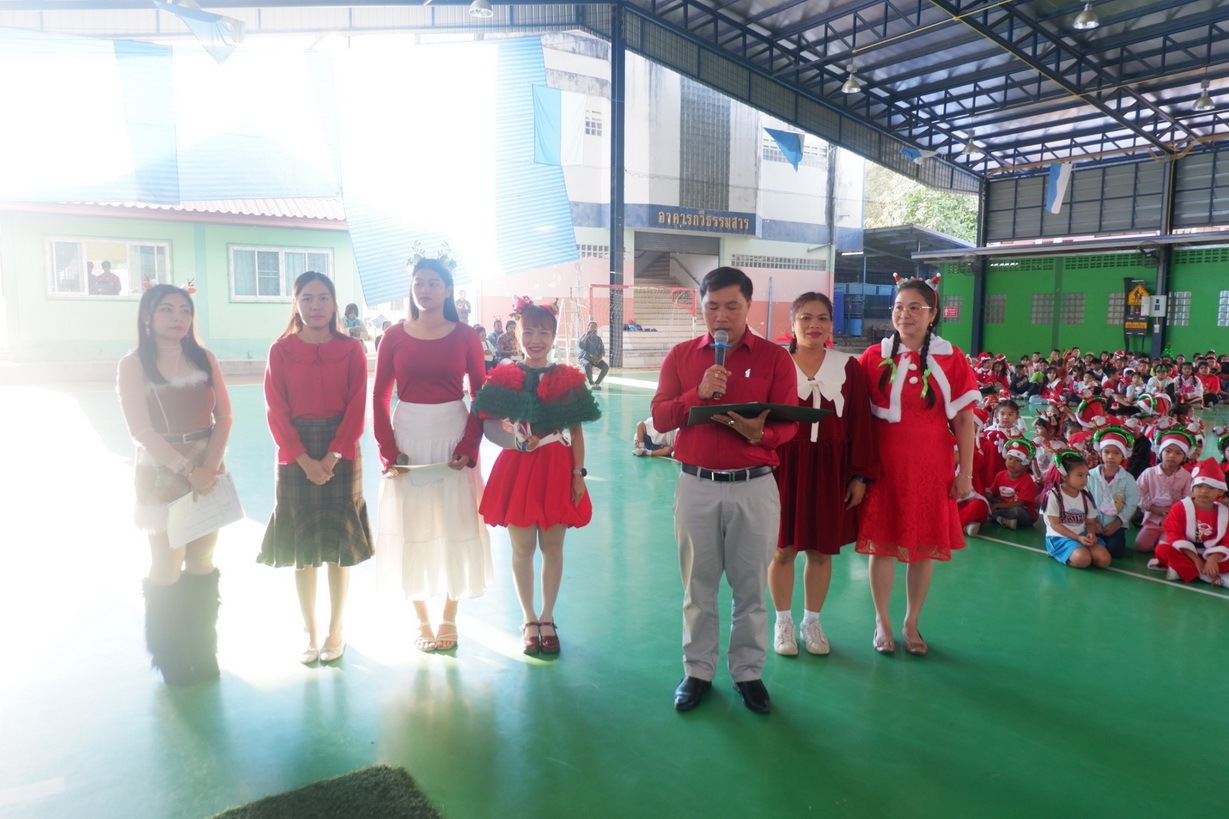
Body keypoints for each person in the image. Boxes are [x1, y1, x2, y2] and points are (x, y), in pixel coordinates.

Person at [651, 266, 797, 714]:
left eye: (732, 306)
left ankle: (748, 674)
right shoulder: (681, 356)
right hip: (696, 485)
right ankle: (697, 671)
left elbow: (790, 424)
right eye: (712, 306)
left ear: (748, 306)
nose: (721, 316)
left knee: (751, 587)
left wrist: (761, 435)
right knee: (698, 586)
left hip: (754, 486)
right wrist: (697, 393)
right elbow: (660, 417)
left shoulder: (774, 358)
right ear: (701, 307)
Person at [373, 258, 492, 652]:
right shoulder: (393, 336)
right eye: (418, 282)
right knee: (413, 524)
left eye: (433, 283)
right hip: (408, 438)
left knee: (457, 521)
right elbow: (379, 395)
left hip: (453, 435)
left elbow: (480, 394)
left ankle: (449, 615)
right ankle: (421, 618)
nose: (424, 289)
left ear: (448, 290)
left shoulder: (466, 336)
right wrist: (388, 449)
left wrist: (469, 445)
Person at [116, 284, 233, 686]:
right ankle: (169, 655)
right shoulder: (133, 364)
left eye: (184, 309)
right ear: (147, 316)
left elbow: (225, 418)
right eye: (166, 309)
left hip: (207, 468)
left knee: (202, 560)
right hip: (161, 472)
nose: (177, 317)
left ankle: (203, 647)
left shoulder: (204, 358)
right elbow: (140, 430)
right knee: (167, 563)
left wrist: (209, 466)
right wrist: (188, 469)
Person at [857, 274, 978, 657]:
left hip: (931, 467)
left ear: (932, 314)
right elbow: (857, 418)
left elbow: (964, 420)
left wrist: (965, 474)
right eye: (898, 307)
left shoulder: (952, 357)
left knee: (923, 548)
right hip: (884, 467)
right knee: (882, 546)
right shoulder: (873, 356)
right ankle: (882, 621)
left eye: (914, 307)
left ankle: (911, 622)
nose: (904, 314)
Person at [473, 301, 601, 657]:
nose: (536, 339)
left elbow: (576, 431)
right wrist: (515, 442)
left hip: (557, 467)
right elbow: (488, 425)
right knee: (522, 549)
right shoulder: (504, 375)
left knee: (553, 548)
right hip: (517, 467)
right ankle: (529, 618)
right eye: (528, 331)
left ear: (554, 335)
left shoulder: (568, 378)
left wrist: (578, 474)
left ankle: (548, 617)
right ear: (518, 334)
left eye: (543, 332)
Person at [259, 271, 374, 665]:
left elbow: (357, 407)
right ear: (296, 304)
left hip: (341, 450)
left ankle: (335, 629)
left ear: (334, 303)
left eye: (323, 297)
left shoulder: (351, 349)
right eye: (307, 298)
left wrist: (333, 455)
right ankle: (309, 631)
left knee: (340, 546)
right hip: (296, 452)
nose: (315, 305)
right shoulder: (280, 350)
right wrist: (303, 458)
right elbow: (276, 409)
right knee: (303, 546)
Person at [769, 292, 875, 657]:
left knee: (820, 550)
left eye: (822, 318)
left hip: (831, 468)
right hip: (783, 467)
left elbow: (860, 422)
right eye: (806, 318)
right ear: (792, 323)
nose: (814, 325)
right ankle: (782, 621)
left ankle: (811, 622)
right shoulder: (776, 364)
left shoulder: (848, 367)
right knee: (782, 548)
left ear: (832, 324)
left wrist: (859, 476)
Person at [1150, 459, 1229, 585]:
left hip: (1211, 553)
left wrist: (1213, 559)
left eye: (1211, 487)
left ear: (1220, 491)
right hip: (1185, 552)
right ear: (1192, 487)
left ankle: (1184, 570)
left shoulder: (1225, 513)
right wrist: (1195, 559)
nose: (1204, 491)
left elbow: (1227, 541)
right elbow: (1174, 535)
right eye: (1199, 486)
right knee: (1162, 550)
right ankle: (1206, 576)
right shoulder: (1179, 507)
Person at [1041, 451, 1109, 569]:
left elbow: (1090, 522)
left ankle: (1078, 551)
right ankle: (1056, 552)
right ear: (1064, 476)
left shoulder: (1085, 496)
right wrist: (1077, 538)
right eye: (1080, 475)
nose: (1084, 480)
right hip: (1060, 537)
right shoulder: (1053, 495)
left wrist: (1091, 533)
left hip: (1082, 535)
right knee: (1083, 559)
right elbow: (1055, 524)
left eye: (1086, 475)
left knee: (1104, 560)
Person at [1135, 429, 1197, 552]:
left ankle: (1166, 543)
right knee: (1141, 545)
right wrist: (1153, 508)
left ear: (1184, 457)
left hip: (1174, 521)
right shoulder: (1149, 473)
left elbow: (1188, 500)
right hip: (1153, 519)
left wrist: (1175, 512)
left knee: (1164, 547)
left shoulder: (1186, 477)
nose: (1172, 455)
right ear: (1160, 452)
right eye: (1168, 451)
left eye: (1178, 453)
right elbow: (1137, 493)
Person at [1086, 426, 1140, 559]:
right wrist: (1093, 522)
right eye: (1107, 452)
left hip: (1115, 524)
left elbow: (1131, 504)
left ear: (1123, 456)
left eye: (1116, 453)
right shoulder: (1090, 476)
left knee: (1116, 551)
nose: (1110, 456)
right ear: (1100, 453)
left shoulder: (1128, 479)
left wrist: (1117, 523)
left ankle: (1102, 547)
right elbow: (1084, 499)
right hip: (1092, 523)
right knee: (1089, 542)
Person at [988, 438, 1039, 530]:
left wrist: (996, 506)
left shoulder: (1027, 480)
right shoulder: (1000, 475)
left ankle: (996, 517)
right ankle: (1003, 520)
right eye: (1010, 458)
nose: (1012, 462)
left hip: (1023, 511)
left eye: (1018, 460)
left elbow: (1019, 503)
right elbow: (993, 494)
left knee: (1017, 512)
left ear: (1025, 466)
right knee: (985, 501)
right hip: (1004, 506)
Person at [577, 321, 610, 389]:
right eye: (591, 326)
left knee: (606, 367)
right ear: (588, 328)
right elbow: (581, 346)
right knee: (587, 364)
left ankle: (596, 383)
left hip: (595, 359)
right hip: (584, 358)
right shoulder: (583, 336)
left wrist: (599, 359)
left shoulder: (598, 339)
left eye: (595, 327)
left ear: (596, 329)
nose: (593, 328)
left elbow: (602, 350)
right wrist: (587, 336)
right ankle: (591, 383)